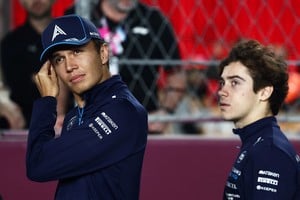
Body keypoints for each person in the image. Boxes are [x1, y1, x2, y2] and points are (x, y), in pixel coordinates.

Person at [26, 14, 148, 199]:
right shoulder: (73, 117)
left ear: (103, 53)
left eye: (77, 51)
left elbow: (38, 164)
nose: (69, 66)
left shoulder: (123, 110)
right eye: (59, 59)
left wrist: (47, 101)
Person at [65, 0, 186, 134]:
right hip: (87, 124)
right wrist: (59, 114)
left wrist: (166, 112)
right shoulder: (77, 17)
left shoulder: (154, 19)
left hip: (141, 126)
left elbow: (176, 73)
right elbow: (60, 71)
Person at [218, 39, 300, 199]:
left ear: (264, 92)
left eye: (235, 82)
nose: (222, 91)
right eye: (222, 82)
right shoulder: (258, 143)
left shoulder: (270, 152)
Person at [0, 0, 70, 130]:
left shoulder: (71, 36)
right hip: (27, 129)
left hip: (75, 125)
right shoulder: (11, 43)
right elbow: (20, 88)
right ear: (20, 2)